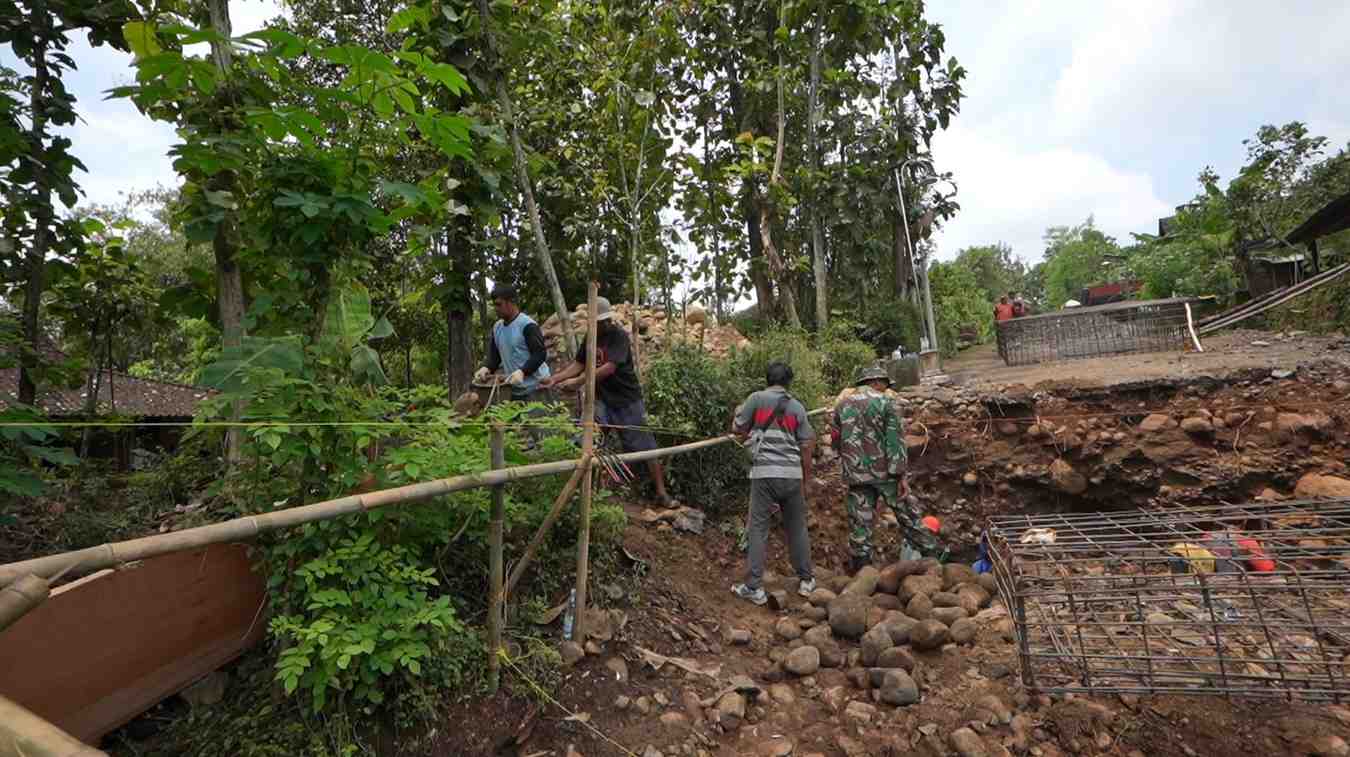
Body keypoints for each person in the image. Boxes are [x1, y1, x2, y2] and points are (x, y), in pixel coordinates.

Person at [540, 296, 676, 506]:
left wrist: (578, 382)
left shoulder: (618, 336)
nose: (603, 324)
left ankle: (660, 492)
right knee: (587, 441)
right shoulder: (590, 337)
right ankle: (585, 494)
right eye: (598, 322)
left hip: (627, 400)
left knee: (646, 446)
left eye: (604, 321)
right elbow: (578, 364)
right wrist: (555, 378)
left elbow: (609, 368)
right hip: (603, 401)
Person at [831, 362, 940, 572]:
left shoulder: (842, 405)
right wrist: (901, 476)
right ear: (876, 382)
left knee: (860, 525)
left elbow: (836, 440)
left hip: (856, 475)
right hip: (886, 474)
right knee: (909, 517)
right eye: (885, 384)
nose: (886, 389)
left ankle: (863, 572)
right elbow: (895, 441)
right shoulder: (886, 402)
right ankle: (934, 561)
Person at [728, 362, 817, 606]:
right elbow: (807, 444)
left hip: (764, 475)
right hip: (792, 475)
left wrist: (738, 413)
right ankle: (807, 580)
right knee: (797, 528)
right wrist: (806, 481)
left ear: (767, 379)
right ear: (789, 382)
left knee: (758, 528)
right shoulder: (798, 407)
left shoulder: (756, 399)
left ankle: (754, 587)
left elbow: (737, 428)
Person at [474, 285, 551, 402]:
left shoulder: (527, 325)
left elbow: (539, 354)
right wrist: (486, 368)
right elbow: (495, 357)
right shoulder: (497, 327)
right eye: (494, 305)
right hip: (513, 388)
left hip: (537, 388)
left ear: (511, 302)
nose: (496, 308)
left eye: (499, 304)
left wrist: (523, 371)